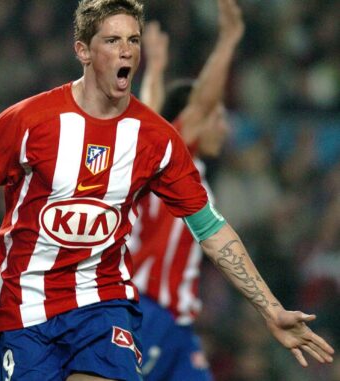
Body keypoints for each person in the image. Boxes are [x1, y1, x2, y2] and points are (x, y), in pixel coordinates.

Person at [0, 1, 335, 380]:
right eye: (113, 40)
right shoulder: (26, 121)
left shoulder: (157, 140)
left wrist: (270, 306)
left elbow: (211, 228)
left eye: (133, 40)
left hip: (102, 301)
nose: (127, 51)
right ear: (82, 50)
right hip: (24, 306)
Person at [129, 0, 246, 379]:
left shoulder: (178, 166)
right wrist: (228, 40)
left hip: (178, 323)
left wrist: (157, 71)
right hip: (149, 311)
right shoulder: (172, 158)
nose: (223, 128)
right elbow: (194, 107)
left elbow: (149, 111)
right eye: (218, 117)